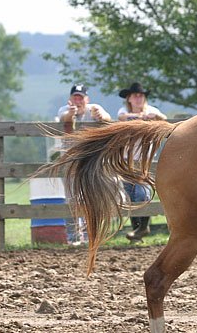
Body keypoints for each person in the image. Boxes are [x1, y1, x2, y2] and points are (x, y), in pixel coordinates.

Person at [56, 83, 111, 245]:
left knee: (90, 197)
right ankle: (73, 237)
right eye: (75, 97)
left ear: (87, 99)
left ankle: (89, 236)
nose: (78, 101)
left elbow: (108, 118)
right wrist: (70, 115)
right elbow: (64, 120)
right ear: (70, 99)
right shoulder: (64, 110)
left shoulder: (94, 109)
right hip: (71, 160)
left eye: (81, 98)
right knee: (72, 199)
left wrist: (101, 116)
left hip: (90, 161)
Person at [117, 82, 167, 241]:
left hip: (144, 159)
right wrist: (142, 118)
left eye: (140, 96)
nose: (138, 98)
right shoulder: (125, 111)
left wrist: (155, 118)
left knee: (142, 193)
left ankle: (143, 227)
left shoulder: (152, 111)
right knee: (130, 194)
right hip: (126, 159)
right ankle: (137, 231)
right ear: (129, 99)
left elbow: (164, 119)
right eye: (135, 96)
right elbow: (121, 117)